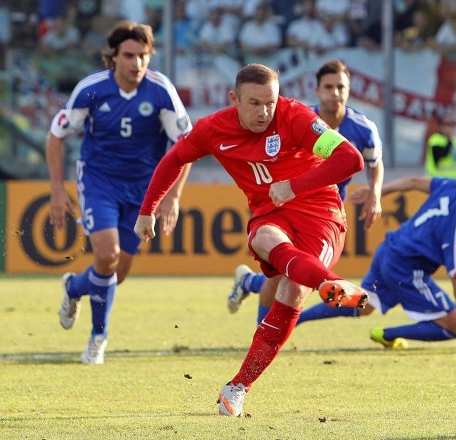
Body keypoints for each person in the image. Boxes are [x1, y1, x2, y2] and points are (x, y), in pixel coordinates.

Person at [133, 63, 369, 417]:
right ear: (235, 99)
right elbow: (175, 159)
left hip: (320, 212)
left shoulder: (296, 117)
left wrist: (294, 185)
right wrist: (147, 209)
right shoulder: (213, 128)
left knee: (290, 290)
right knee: (263, 239)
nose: (264, 113)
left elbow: (351, 158)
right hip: (270, 212)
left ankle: (237, 386)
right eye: (255, 104)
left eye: (270, 103)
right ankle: (330, 284)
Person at [47, 21, 192, 365]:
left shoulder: (161, 91)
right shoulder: (92, 90)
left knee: (116, 272)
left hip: (145, 190)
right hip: (100, 181)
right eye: (129, 55)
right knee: (107, 254)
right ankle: (98, 338)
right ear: (113, 57)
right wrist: (56, 188)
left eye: (143, 56)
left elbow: (186, 144)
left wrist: (172, 196)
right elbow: (56, 135)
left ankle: (74, 287)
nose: (137, 63)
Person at [227, 59, 385, 324]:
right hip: (289, 206)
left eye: (341, 87)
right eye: (329, 87)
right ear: (317, 90)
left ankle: (249, 286)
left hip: (325, 212)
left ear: (349, 90)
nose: (335, 93)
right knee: (289, 276)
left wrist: (375, 194)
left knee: (288, 276)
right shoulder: (301, 118)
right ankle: (264, 329)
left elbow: (374, 163)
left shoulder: (363, 128)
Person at [296, 167, 456, 353]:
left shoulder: (450, 186)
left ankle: (296, 317)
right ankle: (389, 334)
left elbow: (414, 182)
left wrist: (377, 192)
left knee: (363, 304)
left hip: (389, 250)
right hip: (405, 268)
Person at [425, 111, 456, 177]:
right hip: (438, 181)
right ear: (440, 126)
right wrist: (449, 140)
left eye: (451, 124)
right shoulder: (435, 139)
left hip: (455, 181)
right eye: (446, 124)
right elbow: (441, 155)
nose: (448, 127)